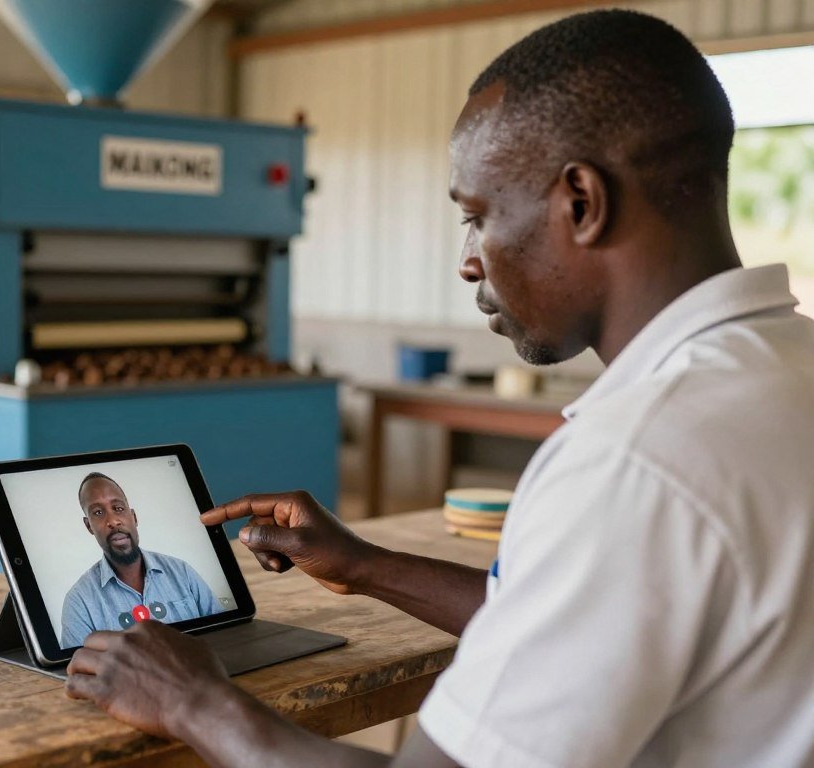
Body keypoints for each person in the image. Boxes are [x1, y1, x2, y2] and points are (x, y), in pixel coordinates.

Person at [64, 10, 814, 767]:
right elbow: (574, 626)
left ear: (582, 203)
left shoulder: (634, 460)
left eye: (477, 217)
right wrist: (365, 566)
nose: (468, 260)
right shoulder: (789, 368)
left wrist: (196, 702)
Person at [60, 472, 222, 647]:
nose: (113, 521)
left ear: (134, 517)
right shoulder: (79, 603)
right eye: (98, 512)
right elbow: (76, 663)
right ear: (89, 526)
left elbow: (225, 634)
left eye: (118, 508)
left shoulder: (182, 573)